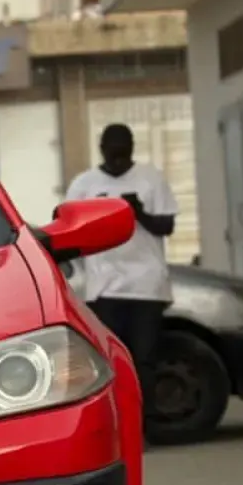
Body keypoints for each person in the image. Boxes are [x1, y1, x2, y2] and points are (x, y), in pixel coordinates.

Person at [63, 122, 178, 423]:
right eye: (113, 154)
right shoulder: (84, 184)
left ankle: (145, 424)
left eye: (123, 154)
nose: (118, 161)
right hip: (104, 288)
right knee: (109, 363)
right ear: (101, 149)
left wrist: (137, 212)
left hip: (146, 287)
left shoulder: (151, 178)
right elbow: (67, 229)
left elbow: (166, 226)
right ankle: (115, 425)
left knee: (145, 361)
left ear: (132, 150)